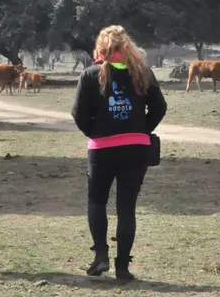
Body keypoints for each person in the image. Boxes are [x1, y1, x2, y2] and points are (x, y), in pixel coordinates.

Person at [71, 25, 167, 281]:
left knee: (97, 201)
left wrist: (95, 133)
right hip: (136, 149)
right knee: (126, 208)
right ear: (127, 47)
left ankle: (100, 255)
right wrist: (142, 130)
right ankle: (123, 267)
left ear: (101, 48)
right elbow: (159, 107)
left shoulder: (90, 75)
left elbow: (78, 114)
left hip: (102, 149)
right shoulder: (143, 73)